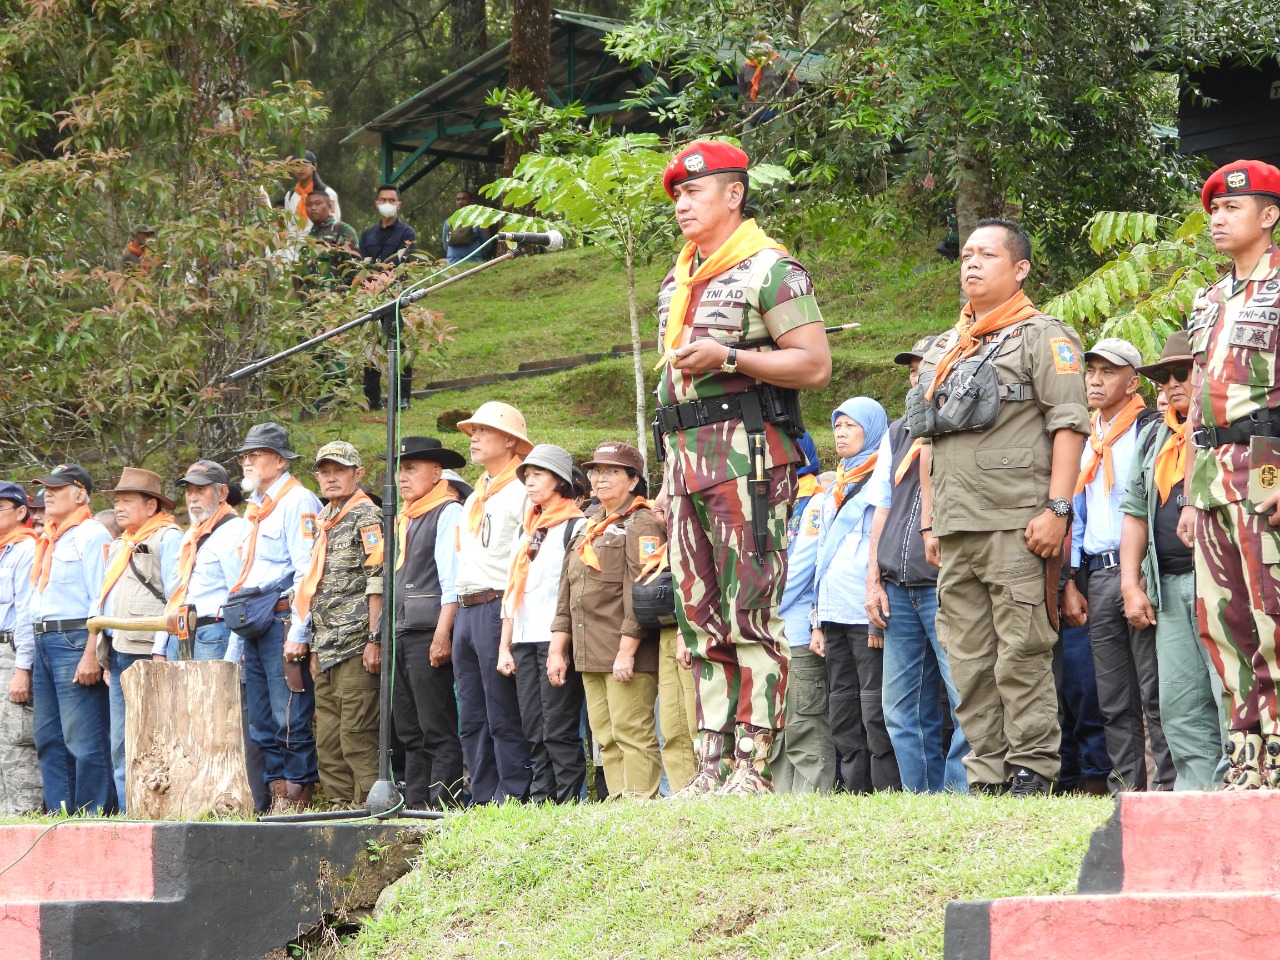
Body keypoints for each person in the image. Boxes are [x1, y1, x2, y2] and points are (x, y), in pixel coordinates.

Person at [653, 140, 831, 795]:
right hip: (685, 463)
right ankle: (711, 762)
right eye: (677, 194)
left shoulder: (771, 270)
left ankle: (753, 763)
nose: (682, 204)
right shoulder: (679, 279)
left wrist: (730, 357)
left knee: (750, 610)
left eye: (694, 192)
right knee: (699, 618)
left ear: (733, 195)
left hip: (746, 458)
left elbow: (813, 365)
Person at [917, 218, 1089, 796]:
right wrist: (931, 521)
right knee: (967, 663)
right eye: (966, 254)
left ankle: (1031, 772)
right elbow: (930, 442)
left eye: (986, 255)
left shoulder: (1046, 336)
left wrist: (1058, 509)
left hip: (1018, 522)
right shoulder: (947, 346)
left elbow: (1069, 426)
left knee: (1021, 654)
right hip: (959, 525)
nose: (971, 263)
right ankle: (986, 774)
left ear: (1018, 270)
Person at [1177, 159, 1280, 789]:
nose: (1218, 217)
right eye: (1213, 209)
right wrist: (1190, 495)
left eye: (1232, 208)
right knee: (1223, 620)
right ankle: (1248, 757)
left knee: (1272, 612)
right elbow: (1195, 397)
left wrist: (1273, 483)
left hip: (1262, 467)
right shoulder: (1210, 298)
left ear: (1269, 216)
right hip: (1211, 475)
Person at [1119, 332, 1228, 790]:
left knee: (1230, 694)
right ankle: (1194, 798)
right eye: (1165, 375)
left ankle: (1239, 789)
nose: (1172, 383)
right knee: (1179, 701)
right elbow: (1133, 512)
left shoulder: (1224, 430)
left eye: (1181, 372)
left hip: (1219, 582)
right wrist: (1129, 582)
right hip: (1166, 585)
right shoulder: (1153, 437)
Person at [1061, 337, 1172, 792]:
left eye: (1109, 371)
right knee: (1111, 697)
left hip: (1140, 571)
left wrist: (1141, 574)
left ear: (1132, 381)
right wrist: (1070, 579)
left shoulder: (1149, 428)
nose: (1096, 379)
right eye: (1092, 371)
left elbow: (1150, 505)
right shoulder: (1089, 437)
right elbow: (1076, 513)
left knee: (1154, 691)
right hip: (1097, 571)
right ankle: (1126, 794)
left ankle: (1168, 790)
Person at [865, 336, 970, 794]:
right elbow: (881, 508)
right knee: (900, 708)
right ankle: (921, 800)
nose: (915, 378)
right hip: (898, 586)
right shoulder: (896, 431)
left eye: (924, 369)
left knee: (965, 697)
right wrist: (873, 578)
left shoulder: (966, 426)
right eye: (910, 371)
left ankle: (959, 797)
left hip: (946, 582)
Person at [548, 442, 665, 799]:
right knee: (605, 737)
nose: (600, 479)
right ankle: (619, 807)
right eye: (596, 471)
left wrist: (627, 651)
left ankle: (640, 808)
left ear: (633, 481)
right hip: (589, 650)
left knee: (632, 731)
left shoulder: (641, 521)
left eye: (611, 471)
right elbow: (567, 590)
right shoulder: (591, 524)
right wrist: (558, 649)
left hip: (623, 649)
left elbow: (642, 592)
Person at [227, 422, 323, 813]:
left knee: (290, 715)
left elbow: (307, 572)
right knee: (262, 720)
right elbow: (244, 577)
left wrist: (299, 631)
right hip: (254, 621)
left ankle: (296, 797)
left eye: (256, 455)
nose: (247, 461)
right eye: (245, 455)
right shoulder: (256, 508)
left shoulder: (298, 501)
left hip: (282, 619)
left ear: (279, 461)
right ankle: (276, 794)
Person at [812, 398, 901, 794]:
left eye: (851, 425)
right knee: (843, 706)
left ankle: (884, 790)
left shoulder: (884, 478)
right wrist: (817, 619)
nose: (842, 433)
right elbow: (821, 555)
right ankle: (853, 790)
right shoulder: (839, 481)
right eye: (837, 426)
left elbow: (880, 546)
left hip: (865, 610)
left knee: (874, 706)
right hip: (834, 611)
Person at [293, 442, 384, 809]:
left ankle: (369, 812)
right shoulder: (324, 520)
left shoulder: (368, 517)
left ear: (357, 474)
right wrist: (314, 646)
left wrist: (374, 638)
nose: (331, 477)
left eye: (340, 470)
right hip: (326, 646)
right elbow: (316, 587)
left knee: (357, 734)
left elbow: (377, 579)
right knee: (327, 740)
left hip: (356, 643)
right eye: (324, 470)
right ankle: (338, 808)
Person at [453, 401, 534, 803]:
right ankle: (483, 795)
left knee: (503, 708)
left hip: (498, 605)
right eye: (473, 432)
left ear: (509, 440)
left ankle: (514, 792)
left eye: (483, 431)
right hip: (467, 608)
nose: (475, 438)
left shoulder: (523, 491)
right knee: (471, 713)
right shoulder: (474, 497)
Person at [498, 444, 586, 804]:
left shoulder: (577, 527)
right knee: (533, 728)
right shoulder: (529, 528)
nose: (530, 482)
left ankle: (567, 804)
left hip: (554, 641)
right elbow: (512, 592)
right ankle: (541, 802)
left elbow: (571, 594)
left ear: (560, 481)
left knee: (559, 728)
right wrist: (504, 646)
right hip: (523, 638)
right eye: (527, 476)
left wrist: (559, 649)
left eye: (539, 475)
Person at [92, 468, 181, 811]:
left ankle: (156, 809)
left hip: (148, 652)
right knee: (121, 740)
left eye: (127, 500)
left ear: (151, 504)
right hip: (119, 651)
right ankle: (129, 810)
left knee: (153, 737)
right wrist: (104, 655)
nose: (119, 507)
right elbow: (104, 599)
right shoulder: (120, 543)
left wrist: (162, 650)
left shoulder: (168, 536)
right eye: (116, 500)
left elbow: (175, 597)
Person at [387, 437, 468, 809]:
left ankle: (444, 802)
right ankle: (416, 803)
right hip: (403, 631)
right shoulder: (405, 516)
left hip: (426, 630)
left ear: (436, 472)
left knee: (435, 724)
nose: (402, 477)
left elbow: (451, 580)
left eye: (411, 468)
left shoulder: (447, 511)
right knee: (407, 727)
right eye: (400, 469)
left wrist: (442, 633)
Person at [28, 464, 114, 814]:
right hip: (45, 639)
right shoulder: (51, 537)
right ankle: (61, 814)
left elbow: (102, 597)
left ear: (80, 494)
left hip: (76, 638)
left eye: (57, 488)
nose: (48, 493)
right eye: (46, 488)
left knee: (85, 738)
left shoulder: (92, 534)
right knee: (49, 738)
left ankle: (94, 815)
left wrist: (93, 652)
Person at [771, 437, 835, 793]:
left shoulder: (815, 503)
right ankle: (783, 807)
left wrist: (757, 606)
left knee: (805, 726)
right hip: (770, 635)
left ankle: (812, 808)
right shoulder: (770, 502)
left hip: (796, 631)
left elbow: (799, 570)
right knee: (778, 729)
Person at [164, 461, 247, 662]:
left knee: (214, 694)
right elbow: (175, 594)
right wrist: (161, 644)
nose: (193, 498)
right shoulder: (190, 535)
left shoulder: (234, 530)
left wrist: (234, 653)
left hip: (213, 633)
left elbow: (239, 595)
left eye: (200, 490)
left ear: (222, 493)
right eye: (189, 491)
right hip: (179, 632)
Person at [0, 481, 42, 813]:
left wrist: (22, 668)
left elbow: (27, 612)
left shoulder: (27, 549)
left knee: (16, 738)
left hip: (10, 651)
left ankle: (24, 816)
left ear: (21, 512)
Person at [359, 183, 418, 411]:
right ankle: (372, 399)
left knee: (399, 345)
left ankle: (402, 398)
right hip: (371, 296)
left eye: (391, 200)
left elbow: (407, 265)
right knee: (371, 345)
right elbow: (362, 264)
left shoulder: (407, 233)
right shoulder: (367, 234)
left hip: (396, 295)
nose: (387, 204)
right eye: (383, 200)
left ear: (398, 204)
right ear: (376, 203)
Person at [295, 190, 358, 290]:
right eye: (309, 204)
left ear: (329, 206)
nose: (313, 208)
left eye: (318, 203)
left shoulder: (342, 230)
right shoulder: (309, 236)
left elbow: (355, 269)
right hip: (310, 302)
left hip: (334, 301)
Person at [737, 34, 798, 126]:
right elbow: (742, 92)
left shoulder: (782, 63)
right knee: (747, 139)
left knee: (775, 139)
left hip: (776, 115)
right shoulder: (744, 67)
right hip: (752, 115)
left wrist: (784, 108)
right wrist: (747, 107)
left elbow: (793, 90)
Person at [283, 149, 342, 246]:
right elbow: (288, 225)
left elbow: (334, 223)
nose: (300, 168)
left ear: (314, 166)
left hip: (319, 247)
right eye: (296, 165)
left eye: (305, 163)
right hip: (293, 250)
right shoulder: (290, 195)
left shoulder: (327, 193)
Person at [442, 188, 489, 265]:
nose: (460, 202)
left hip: (474, 262)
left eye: (464, 199)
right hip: (452, 263)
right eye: (458, 199)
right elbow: (445, 244)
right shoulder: (448, 222)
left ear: (471, 202)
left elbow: (486, 243)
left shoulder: (479, 220)